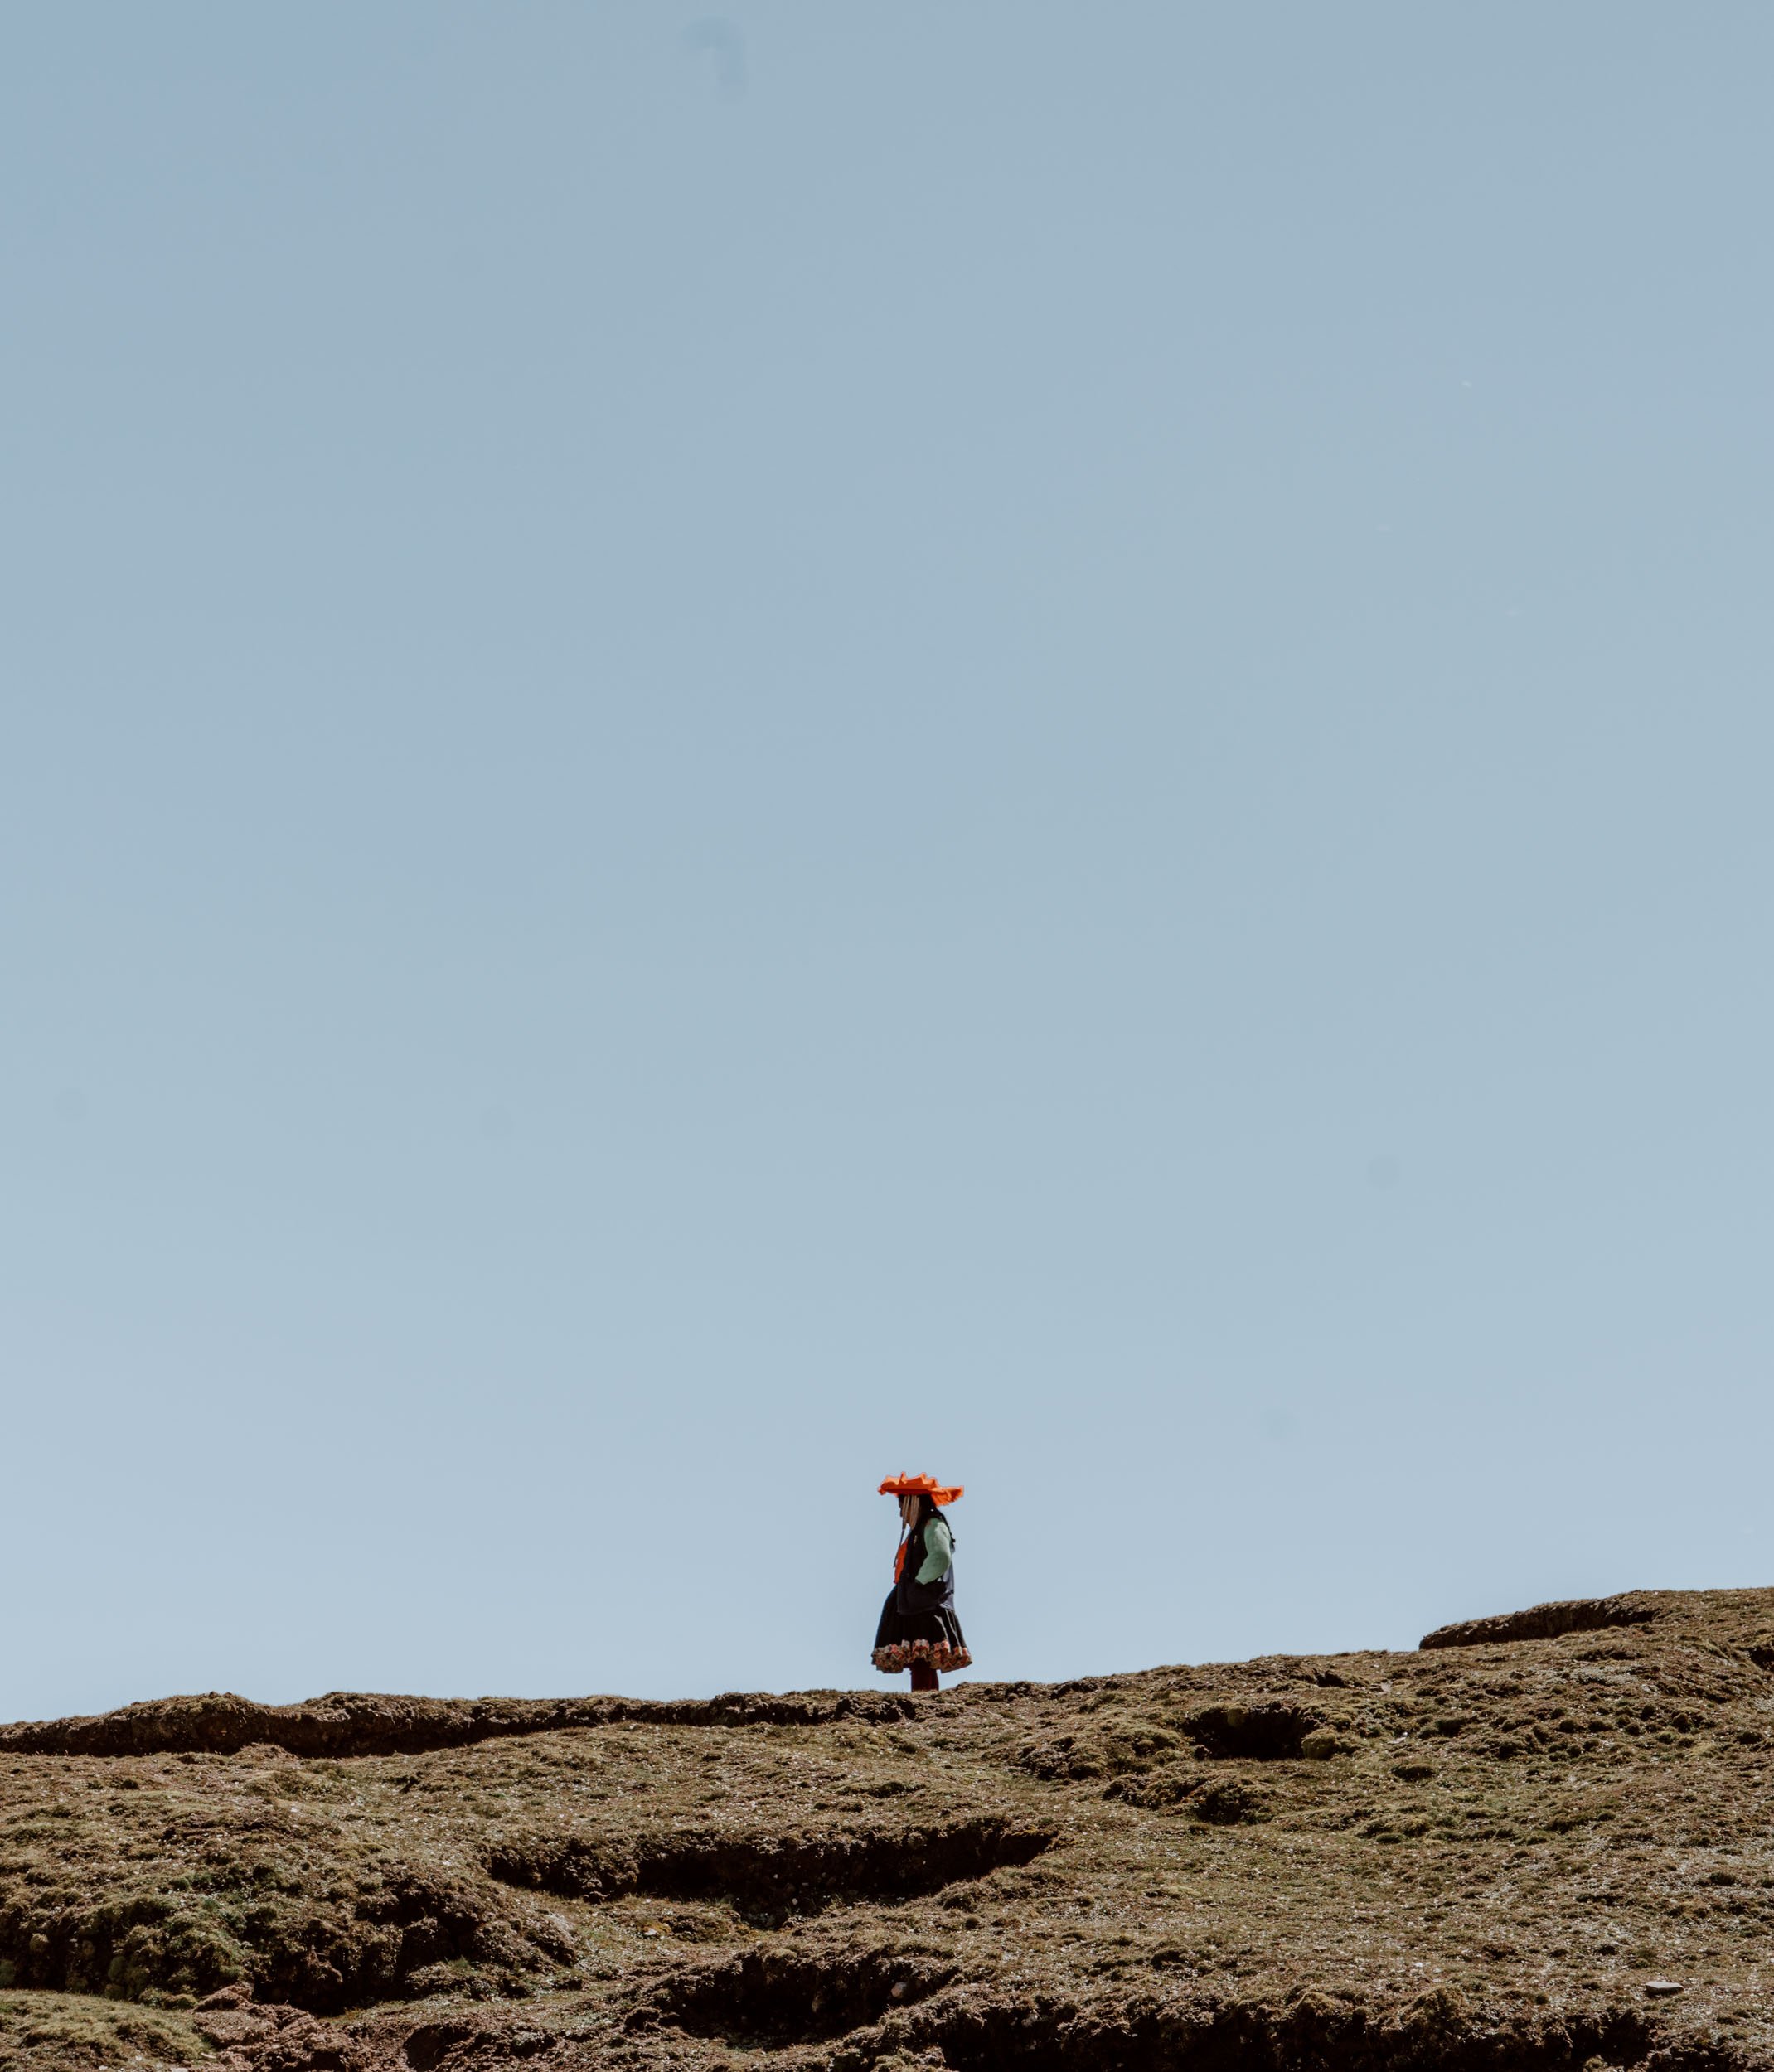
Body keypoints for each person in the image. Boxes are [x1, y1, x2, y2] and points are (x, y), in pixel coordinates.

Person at [871, 1472, 972, 1692]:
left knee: (921, 1659)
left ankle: (923, 1700)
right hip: (918, 1602)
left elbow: (940, 1556)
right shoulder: (922, 1528)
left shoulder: (933, 1524)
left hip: (926, 1604)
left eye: (901, 1507)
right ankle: (929, 1700)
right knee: (921, 1659)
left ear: (912, 1502)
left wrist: (917, 1583)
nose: (900, 1514)